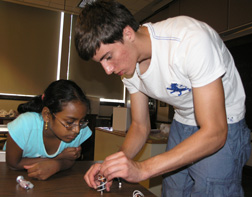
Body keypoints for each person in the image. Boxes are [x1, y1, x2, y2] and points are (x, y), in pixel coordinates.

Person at [75, 0, 251, 196]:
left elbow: (215, 133)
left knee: (210, 191)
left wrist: (142, 169)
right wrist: (112, 164)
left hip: (224, 120)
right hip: (183, 119)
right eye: (101, 62)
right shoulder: (128, 68)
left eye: (108, 57)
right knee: (173, 191)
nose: (107, 70)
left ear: (127, 33)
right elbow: (141, 126)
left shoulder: (190, 41)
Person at [5, 79, 92, 180]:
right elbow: (13, 164)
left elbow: (70, 161)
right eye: (69, 122)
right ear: (47, 115)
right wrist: (58, 158)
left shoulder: (79, 129)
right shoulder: (24, 124)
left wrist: (57, 166)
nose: (77, 130)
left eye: (81, 121)